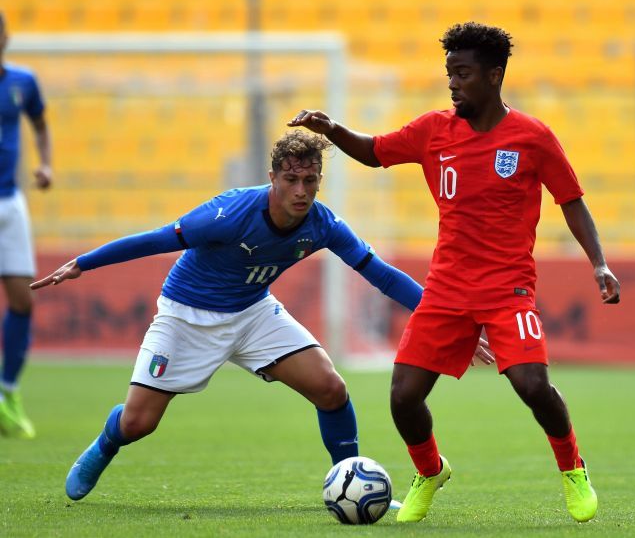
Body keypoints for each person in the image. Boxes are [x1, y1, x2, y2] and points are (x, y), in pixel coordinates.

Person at [32, 130, 493, 501]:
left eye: (310, 181)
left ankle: (351, 483)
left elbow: (381, 275)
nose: (301, 191)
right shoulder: (228, 213)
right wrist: (82, 263)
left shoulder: (323, 224)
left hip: (253, 312)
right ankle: (105, 444)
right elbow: (155, 239)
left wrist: (451, 324)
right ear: (272, 178)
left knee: (331, 388)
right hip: (186, 316)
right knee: (138, 424)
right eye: (291, 180)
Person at [289, 21, 621, 523]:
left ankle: (572, 468)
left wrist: (599, 264)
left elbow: (572, 201)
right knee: (403, 397)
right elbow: (375, 152)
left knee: (533, 386)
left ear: (494, 75)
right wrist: (331, 129)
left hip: (508, 289)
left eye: (462, 73)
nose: (453, 82)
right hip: (446, 289)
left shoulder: (532, 138)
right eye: (449, 73)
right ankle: (430, 470)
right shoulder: (432, 130)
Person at [0, 12, 53, 439]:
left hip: (10, 202)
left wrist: (46, 163)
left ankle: (8, 393)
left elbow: (39, 123)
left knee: (23, 300)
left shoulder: (22, 82)